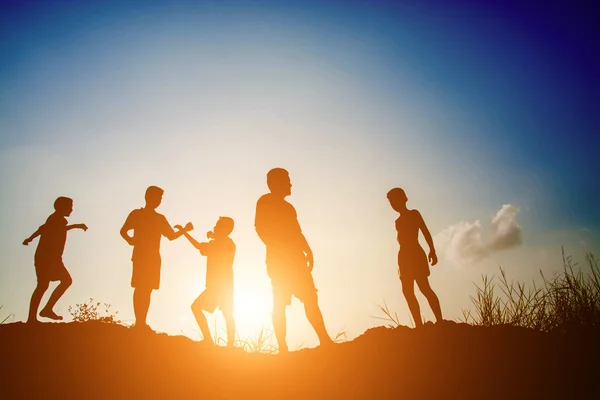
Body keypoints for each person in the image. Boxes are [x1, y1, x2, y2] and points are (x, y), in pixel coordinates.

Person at [254, 168, 332, 353]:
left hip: (296, 261)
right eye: (287, 180)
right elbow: (261, 229)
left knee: (311, 298)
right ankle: (283, 348)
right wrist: (281, 250)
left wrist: (307, 250)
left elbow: (297, 232)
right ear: (274, 183)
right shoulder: (264, 201)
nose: (290, 184)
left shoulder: (289, 208)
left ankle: (325, 340)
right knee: (280, 302)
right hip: (278, 262)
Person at [120, 186, 191, 330]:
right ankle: (139, 322)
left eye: (160, 198)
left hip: (153, 257)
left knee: (147, 289)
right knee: (140, 287)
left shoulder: (159, 218)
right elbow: (123, 231)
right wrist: (130, 240)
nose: (159, 201)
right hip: (140, 255)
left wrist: (184, 230)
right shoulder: (136, 214)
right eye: (157, 197)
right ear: (148, 197)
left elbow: (171, 236)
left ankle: (141, 322)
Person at [22, 196, 88, 323]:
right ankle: (43, 311)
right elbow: (49, 229)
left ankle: (39, 314)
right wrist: (76, 225)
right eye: (69, 206)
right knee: (62, 281)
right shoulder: (57, 220)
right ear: (61, 207)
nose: (71, 209)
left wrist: (30, 238)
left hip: (48, 257)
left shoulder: (54, 219)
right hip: (48, 258)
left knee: (44, 285)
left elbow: (42, 229)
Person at [175, 217, 236, 347]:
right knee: (227, 313)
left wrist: (185, 233)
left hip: (218, 286)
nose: (214, 227)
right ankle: (228, 344)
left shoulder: (220, 244)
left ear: (223, 229)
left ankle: (211, 341)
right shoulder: (227, 243)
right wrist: (215, 236)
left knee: (199, 308)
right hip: (224, 285)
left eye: (217, 225)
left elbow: (199, 246)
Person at [387, 187, 443, 328]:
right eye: (391, 203)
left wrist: (432, 250)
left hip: (416, 254)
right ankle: (418, 325)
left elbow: (425, 231)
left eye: (395, 201)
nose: (394, 205)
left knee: (424, 288)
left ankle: (440, 321)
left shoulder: (414, 214)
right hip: (403, 257)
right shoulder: (397, 221)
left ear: (404, 199)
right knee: (407, 291)